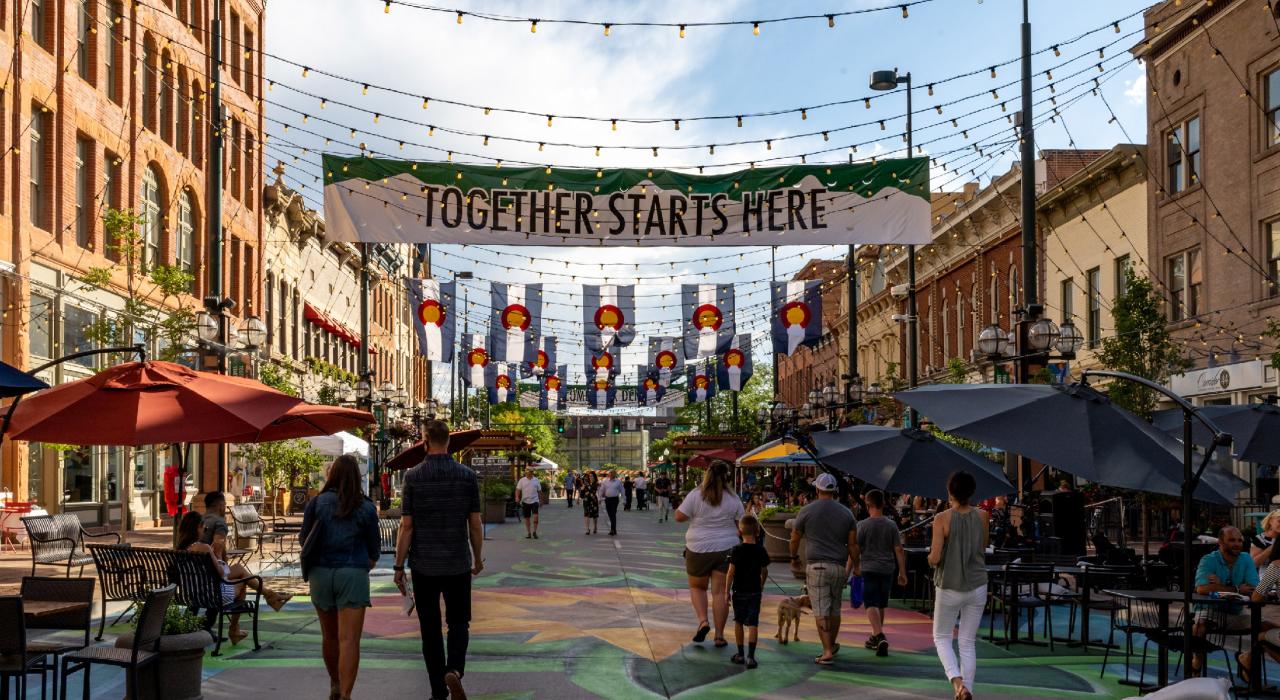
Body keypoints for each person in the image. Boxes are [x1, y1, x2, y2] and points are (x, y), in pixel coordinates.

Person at [394, 421, 485, 700]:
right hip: (457, 562)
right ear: (449, 441)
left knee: (430, 629)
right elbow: (475, 523)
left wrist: (398, 566)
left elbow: (406, 526)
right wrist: (477, 557)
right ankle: (455, 670)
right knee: (459, 622)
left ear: (424, 441)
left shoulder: (414, 477)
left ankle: (438, 691)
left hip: (424, 565)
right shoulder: (467, 476)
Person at [301, 455, 381, 700]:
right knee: (349, 640)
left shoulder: (316, 503)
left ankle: (335, 684)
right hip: (353, 574)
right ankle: (346, 694)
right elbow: (374, 550)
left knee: (329, 636)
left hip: (320, 575)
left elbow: (304, 539)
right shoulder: (366, 507)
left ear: (332, 474)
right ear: (357, 477)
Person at [176, 512, 291, 646]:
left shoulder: (179, 549)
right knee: (243, 582)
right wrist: (218, 555)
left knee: (239, 569)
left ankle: (270, 596)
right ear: (198, 528)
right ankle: (235, 628)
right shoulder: (204, 548)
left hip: (192, 594)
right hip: (213, 595)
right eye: (205, 529)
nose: (205, 532)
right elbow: (221, 574)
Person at [928, 471, 989, 700]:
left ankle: (956, 682)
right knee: (967, 641)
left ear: (950, 492)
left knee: (942, 636)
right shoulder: (983, 516)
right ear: (972, 492)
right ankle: (968, 689)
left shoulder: (942, 519)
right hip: (977, 585)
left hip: (949, 585)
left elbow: (934, 558)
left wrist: (930, 558)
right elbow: (982, 546)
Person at [790, 473, 858, 666]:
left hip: (817, 565)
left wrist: (794, 558)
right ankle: (832, 644)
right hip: (839, 567)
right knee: (835, 609)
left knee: (820, 609)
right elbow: (853, 545)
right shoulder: (847, 513)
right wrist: (857, 567)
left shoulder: (806, 511)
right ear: (835, 490)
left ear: (817, 490)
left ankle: (827, 650)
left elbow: (795, 537)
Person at [675, 460, 744, 648]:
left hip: (698, 548)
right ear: (727, 477)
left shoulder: (696, 495)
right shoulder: (733, 498)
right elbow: (742, 525)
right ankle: (720, 636)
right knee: (720, 592)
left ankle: (703, 622)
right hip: (727, 548)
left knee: (697, 588)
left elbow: (679, 516)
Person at [1191, 525, 1258, 675]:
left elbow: (1253, 588)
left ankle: (1246, 658)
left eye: (1240, 540)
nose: (1237, 544)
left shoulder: (1246, 558)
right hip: (1209, 611)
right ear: (1220, 542)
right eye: (1232, 540)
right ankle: (1197, 661)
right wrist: (1237, 588)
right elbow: (1202, 588)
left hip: (1236, 614)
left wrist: (1219, 585)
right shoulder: (1208, 560)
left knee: (1266, 627)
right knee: (1199, 626)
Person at [857, 489, 908, 657]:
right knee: (881, 603)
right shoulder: (891, 525)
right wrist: (902, 572)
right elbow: (898, 550)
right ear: (884, 504)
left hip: (869, 567)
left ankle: (879, 636)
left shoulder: (863, 525)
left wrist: (850, 569)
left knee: (870, 602)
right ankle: (875, 635)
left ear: (868, 505)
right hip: (887, 568)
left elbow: (855, 550)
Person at [726, 513, 769, 669]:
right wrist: (761, 584)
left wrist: (726, 592)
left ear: (740, 531)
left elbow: (730, 572)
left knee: (738, 621)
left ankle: (740, 654)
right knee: (753, 623)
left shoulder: (736, 550)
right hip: (755, 591)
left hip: (739, 591)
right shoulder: (761, 550)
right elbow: (764, 571)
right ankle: (751, 656)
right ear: (757, 532)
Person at [200, 491, 232, 559]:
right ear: (220, 505)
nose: (225, 507)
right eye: (224, 504)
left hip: (192, 564)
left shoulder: (198, 520)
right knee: (238, 567)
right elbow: (217, 550)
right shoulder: (219, 522)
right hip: (208, 564)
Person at [515, 468, 542, 539]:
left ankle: (535, 532)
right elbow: (518, 489)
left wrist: (540, 500)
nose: (529, 473)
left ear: (532, 473)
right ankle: (529, 533)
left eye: (530, 472)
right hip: (525, 501)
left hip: (535, 501)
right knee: (527, 518)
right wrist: (517, 497)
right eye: (527, 472)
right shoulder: (522, 480)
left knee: (535, 517)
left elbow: (539, 491)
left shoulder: (536, 480)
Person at [599, 469, 624, 536]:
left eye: (612, 473)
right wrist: (599, 498)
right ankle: (614, 529)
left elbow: (622, 491)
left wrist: (624, 500)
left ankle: (612, 529)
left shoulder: (618, 482)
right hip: (607, 499)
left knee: (613, 513)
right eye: (610, 473)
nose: (611, 474)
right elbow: (601, 490)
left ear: (614, 474)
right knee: (610, 513)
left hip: (615, 499)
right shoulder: (605, 481)